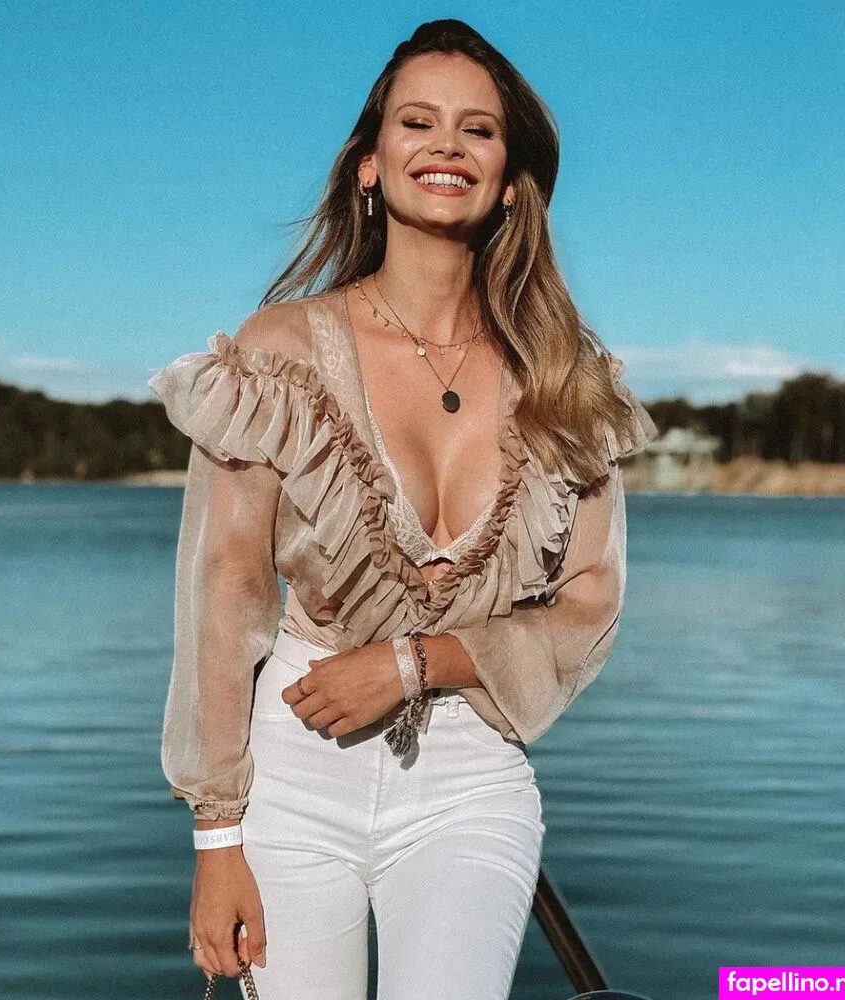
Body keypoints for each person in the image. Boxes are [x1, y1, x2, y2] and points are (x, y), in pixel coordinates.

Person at [147, 18, 657, 1000]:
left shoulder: (565, 376)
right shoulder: (281, 349)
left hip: (470, 778)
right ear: (369, 164)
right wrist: (216, 835)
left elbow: (589, 603)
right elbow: (225, 588)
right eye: (416, 122)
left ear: (509, 181)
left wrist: (417, 660)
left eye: (478, 129)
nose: (446, 145)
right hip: (297, 771)